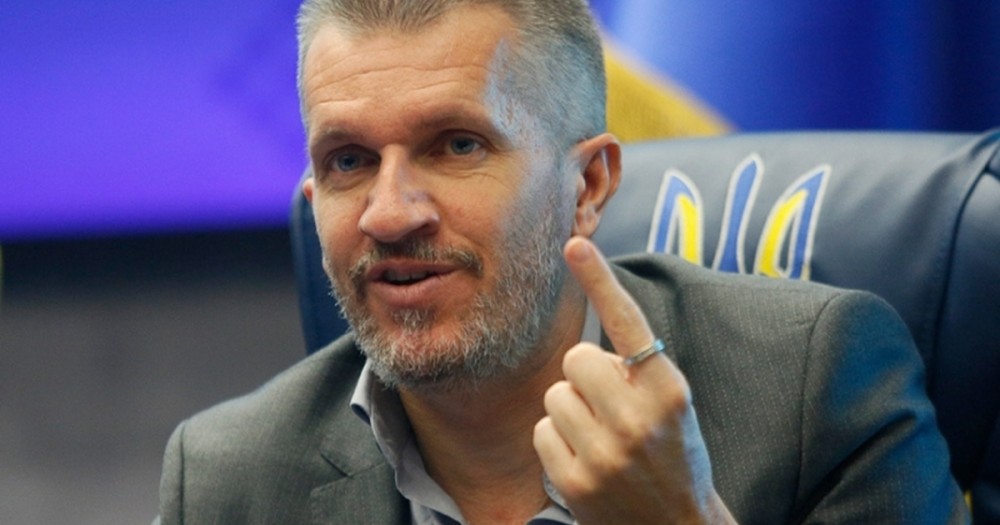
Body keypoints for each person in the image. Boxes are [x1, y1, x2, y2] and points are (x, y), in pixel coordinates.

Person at [155, 1, 969, 523]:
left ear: (589, 185)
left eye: (457, 145)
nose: (390, 212)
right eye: (348, 160)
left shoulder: (815, 392)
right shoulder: (228, 478)